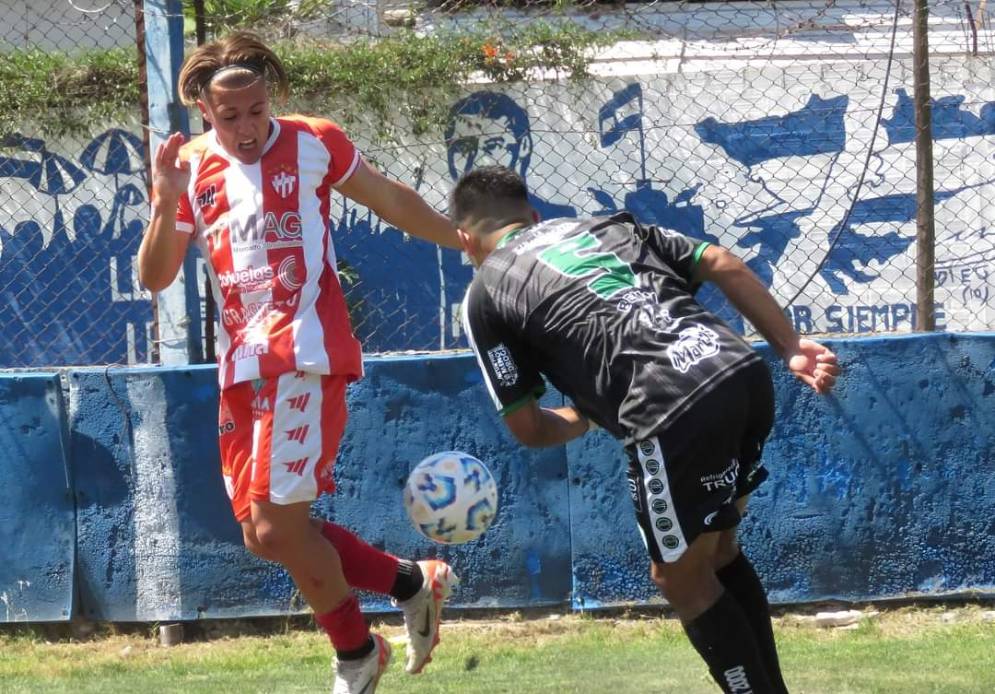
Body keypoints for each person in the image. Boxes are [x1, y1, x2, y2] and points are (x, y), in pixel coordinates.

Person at [137, 31, 459, 694]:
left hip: (305, 353)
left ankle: (355, 657)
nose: (248, 126)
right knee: (264, 535)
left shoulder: (314, 140)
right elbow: (155, 276)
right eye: (231, 116)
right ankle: (409, 582)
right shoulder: (189, 166)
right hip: (241, 369)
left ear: (270, 99)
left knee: (280, 526)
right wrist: (166, 197)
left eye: (257, 109)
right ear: (202, 108)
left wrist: (462, 239)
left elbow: (389, 197)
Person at [454, 165, 840, 694]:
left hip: (666, 407)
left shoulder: (485, 292)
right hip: (738, 371)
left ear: (465, 240)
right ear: (534, 215)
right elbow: (721, 262)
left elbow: (527, 427)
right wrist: (791, 346)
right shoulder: (607, 225)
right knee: (719, 551)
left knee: (680, 578)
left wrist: (581, 416)